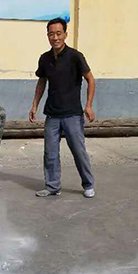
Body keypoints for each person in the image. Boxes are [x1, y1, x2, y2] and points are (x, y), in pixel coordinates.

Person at [29, 18, 96, 199]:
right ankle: (52, 186)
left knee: (78, 151)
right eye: (51, 34)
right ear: (47, 36)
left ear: (65, 34)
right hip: (52, 114)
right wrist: (35, 105)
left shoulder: (75, 56)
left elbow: (90, 79)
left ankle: (88, 184)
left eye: (59, 33)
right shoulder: (45, 58)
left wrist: (89, 105)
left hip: (72, 114)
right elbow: (42, 82)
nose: (55, 38)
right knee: (50, 153)